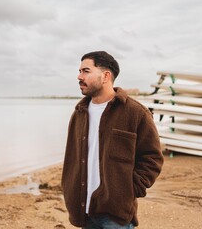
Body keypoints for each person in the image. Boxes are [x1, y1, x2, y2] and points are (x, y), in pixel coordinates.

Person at [61, 51, 164, 228]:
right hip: (83, 209)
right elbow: (72, 158)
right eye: (79, 71)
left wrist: (129, 189)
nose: (79, 76)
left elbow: (152, 157)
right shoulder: (79, 113)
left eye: (86, 71)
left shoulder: (135, 113)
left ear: (105, 76)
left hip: (116, 215)